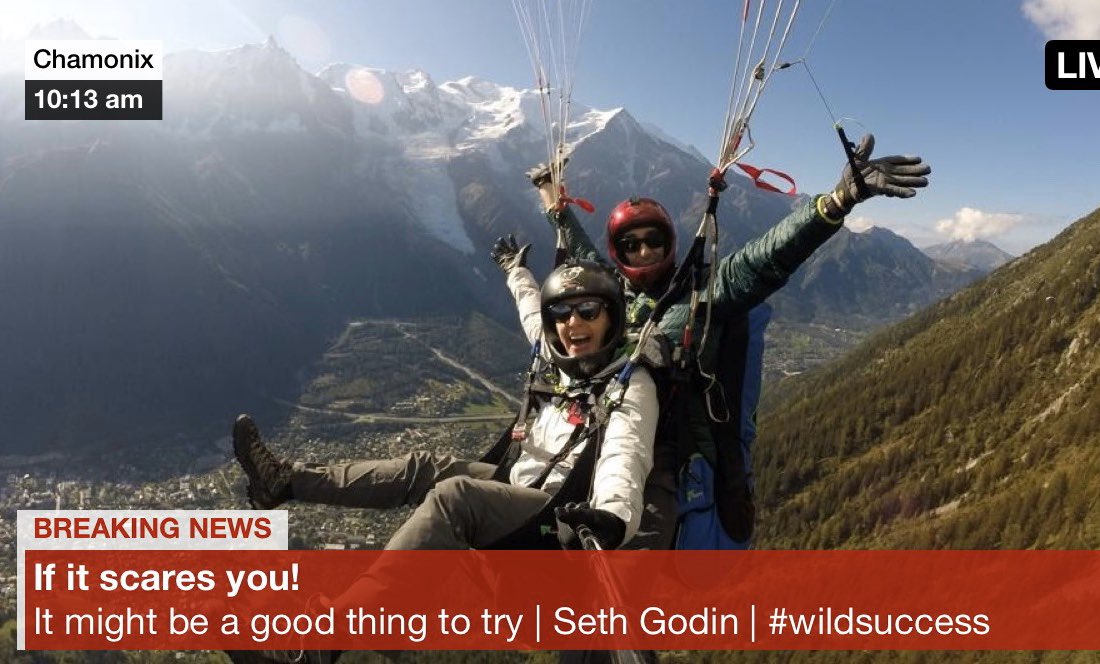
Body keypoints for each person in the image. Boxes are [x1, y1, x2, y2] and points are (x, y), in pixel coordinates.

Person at [494, 133, 931, 550]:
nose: (643, 253)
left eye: (653, 242)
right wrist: (553, 200)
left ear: (670, 244)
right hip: (604, 438)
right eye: (631, 246)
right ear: (618, 254)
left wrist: (837, 201)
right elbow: (583, 257)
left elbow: (763, 260)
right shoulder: (611, 297)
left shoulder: (701, 298)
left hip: (673, 456)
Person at [233, 260, 659, 553]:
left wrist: (611, 520)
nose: (573, 324)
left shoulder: (629, 384)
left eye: (588, 310)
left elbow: (627, 453)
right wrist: (516, 272)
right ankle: (283, 482)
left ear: (613, 318)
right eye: (563, 314)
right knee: (425, 467)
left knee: (455, 496)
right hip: (522, 483)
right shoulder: (561, 359)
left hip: (554, 519)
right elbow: (532, 312)